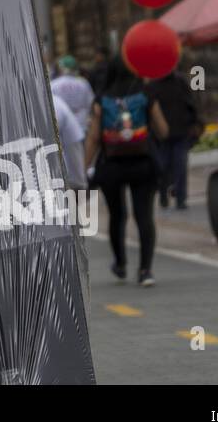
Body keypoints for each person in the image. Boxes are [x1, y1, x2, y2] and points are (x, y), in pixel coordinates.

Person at [85, 58, 163, 286]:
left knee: (117, 216)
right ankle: (145, 270)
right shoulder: (146, 94)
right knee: (144, 216)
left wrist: (85, 167)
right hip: (143, 164)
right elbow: (163, 129)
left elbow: (93, 138)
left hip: (111, 165)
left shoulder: (102, 99)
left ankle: (120, 263)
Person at [145, 66, 200, 210]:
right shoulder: (159, 84)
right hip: (165, 133)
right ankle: (168, 195)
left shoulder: (175, 82)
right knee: (168, 165)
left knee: (174, 165)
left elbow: (190, 103)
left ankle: (178, 197)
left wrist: (193, 121)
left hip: (175, 131)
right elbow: (191, 103)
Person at [51, 92, 87, 189]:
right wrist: (80, 182)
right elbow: (73, 144)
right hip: (61, 177)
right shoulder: (57, 102)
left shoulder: (55, 102)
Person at [51, 55, 95, 131]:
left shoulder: (54, 84)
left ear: (62, 68)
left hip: (62, 126)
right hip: (81, 124)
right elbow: (91, 103)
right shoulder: (83, 83)